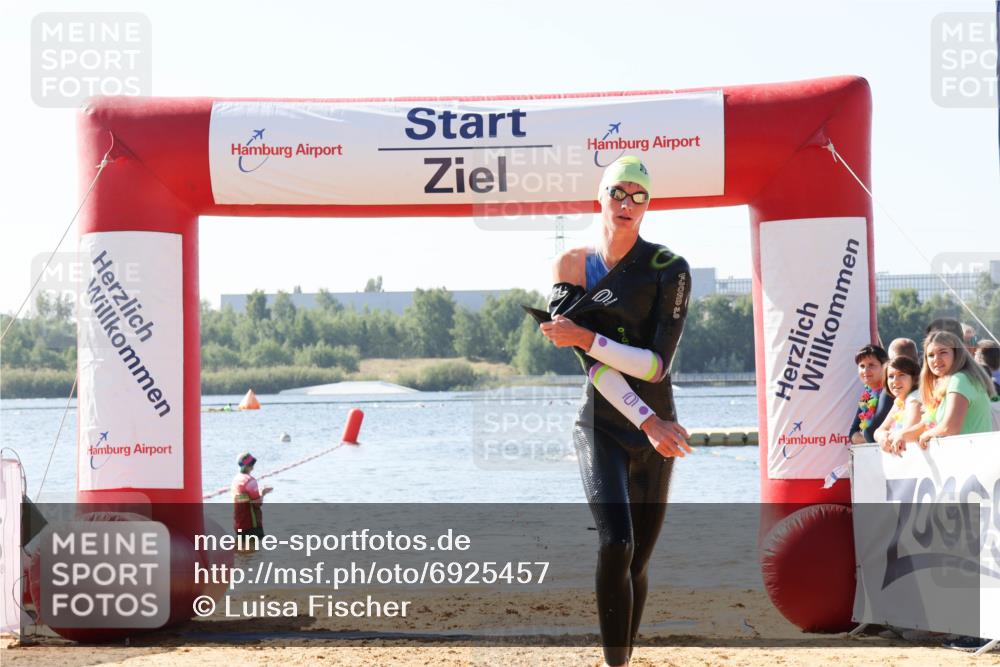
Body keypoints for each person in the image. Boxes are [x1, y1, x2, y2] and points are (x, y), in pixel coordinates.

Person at [539, 156, 690, 667]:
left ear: (648, 206)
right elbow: (594, 367)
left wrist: (587, 336)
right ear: (599, 199)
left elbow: (655, 367)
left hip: (658, 426)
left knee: (639, 562)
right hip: (604, 423)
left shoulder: (671, 268)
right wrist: (644, 420)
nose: (627, 204)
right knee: (617, 544)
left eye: (638, 196)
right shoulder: (570, 267)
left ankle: (625, 656)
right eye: (618, 193)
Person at [892, 331, 996, 451]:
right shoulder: (950, 381)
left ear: (956, 355)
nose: (936, 359)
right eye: (930, 355)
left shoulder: (960, 379)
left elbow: (950, 427)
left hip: (970, 459)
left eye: (943, 352)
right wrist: (902, 435)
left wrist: (926, 435)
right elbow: (928, 423)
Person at [875, 356, 922, 456]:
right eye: (890, 376)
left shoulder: (914, 398)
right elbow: (879, 430)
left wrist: (887, 436)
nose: (895, 381)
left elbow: (909, 431)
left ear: (914, 379)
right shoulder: (899, 401)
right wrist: (882, 437)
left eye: (901, 375)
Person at [849, 345, 892, 444]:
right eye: (862, 366)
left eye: (871, 365)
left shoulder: (889, 391)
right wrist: (866, 438)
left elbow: (870, 431)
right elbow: (852, 433)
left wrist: (863, 437)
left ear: (884, 366)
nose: (865, 371)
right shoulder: (867, 394)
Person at [231, 452, 273, 543]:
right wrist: (263, 493)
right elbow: (257, 503)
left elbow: (244, 498)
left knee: (243, 552)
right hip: (252, 525)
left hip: (239, 524)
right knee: (255, 553)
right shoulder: (250, 481)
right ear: (248, 466)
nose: (253, 467)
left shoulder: (235, 480)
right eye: (251, 465)